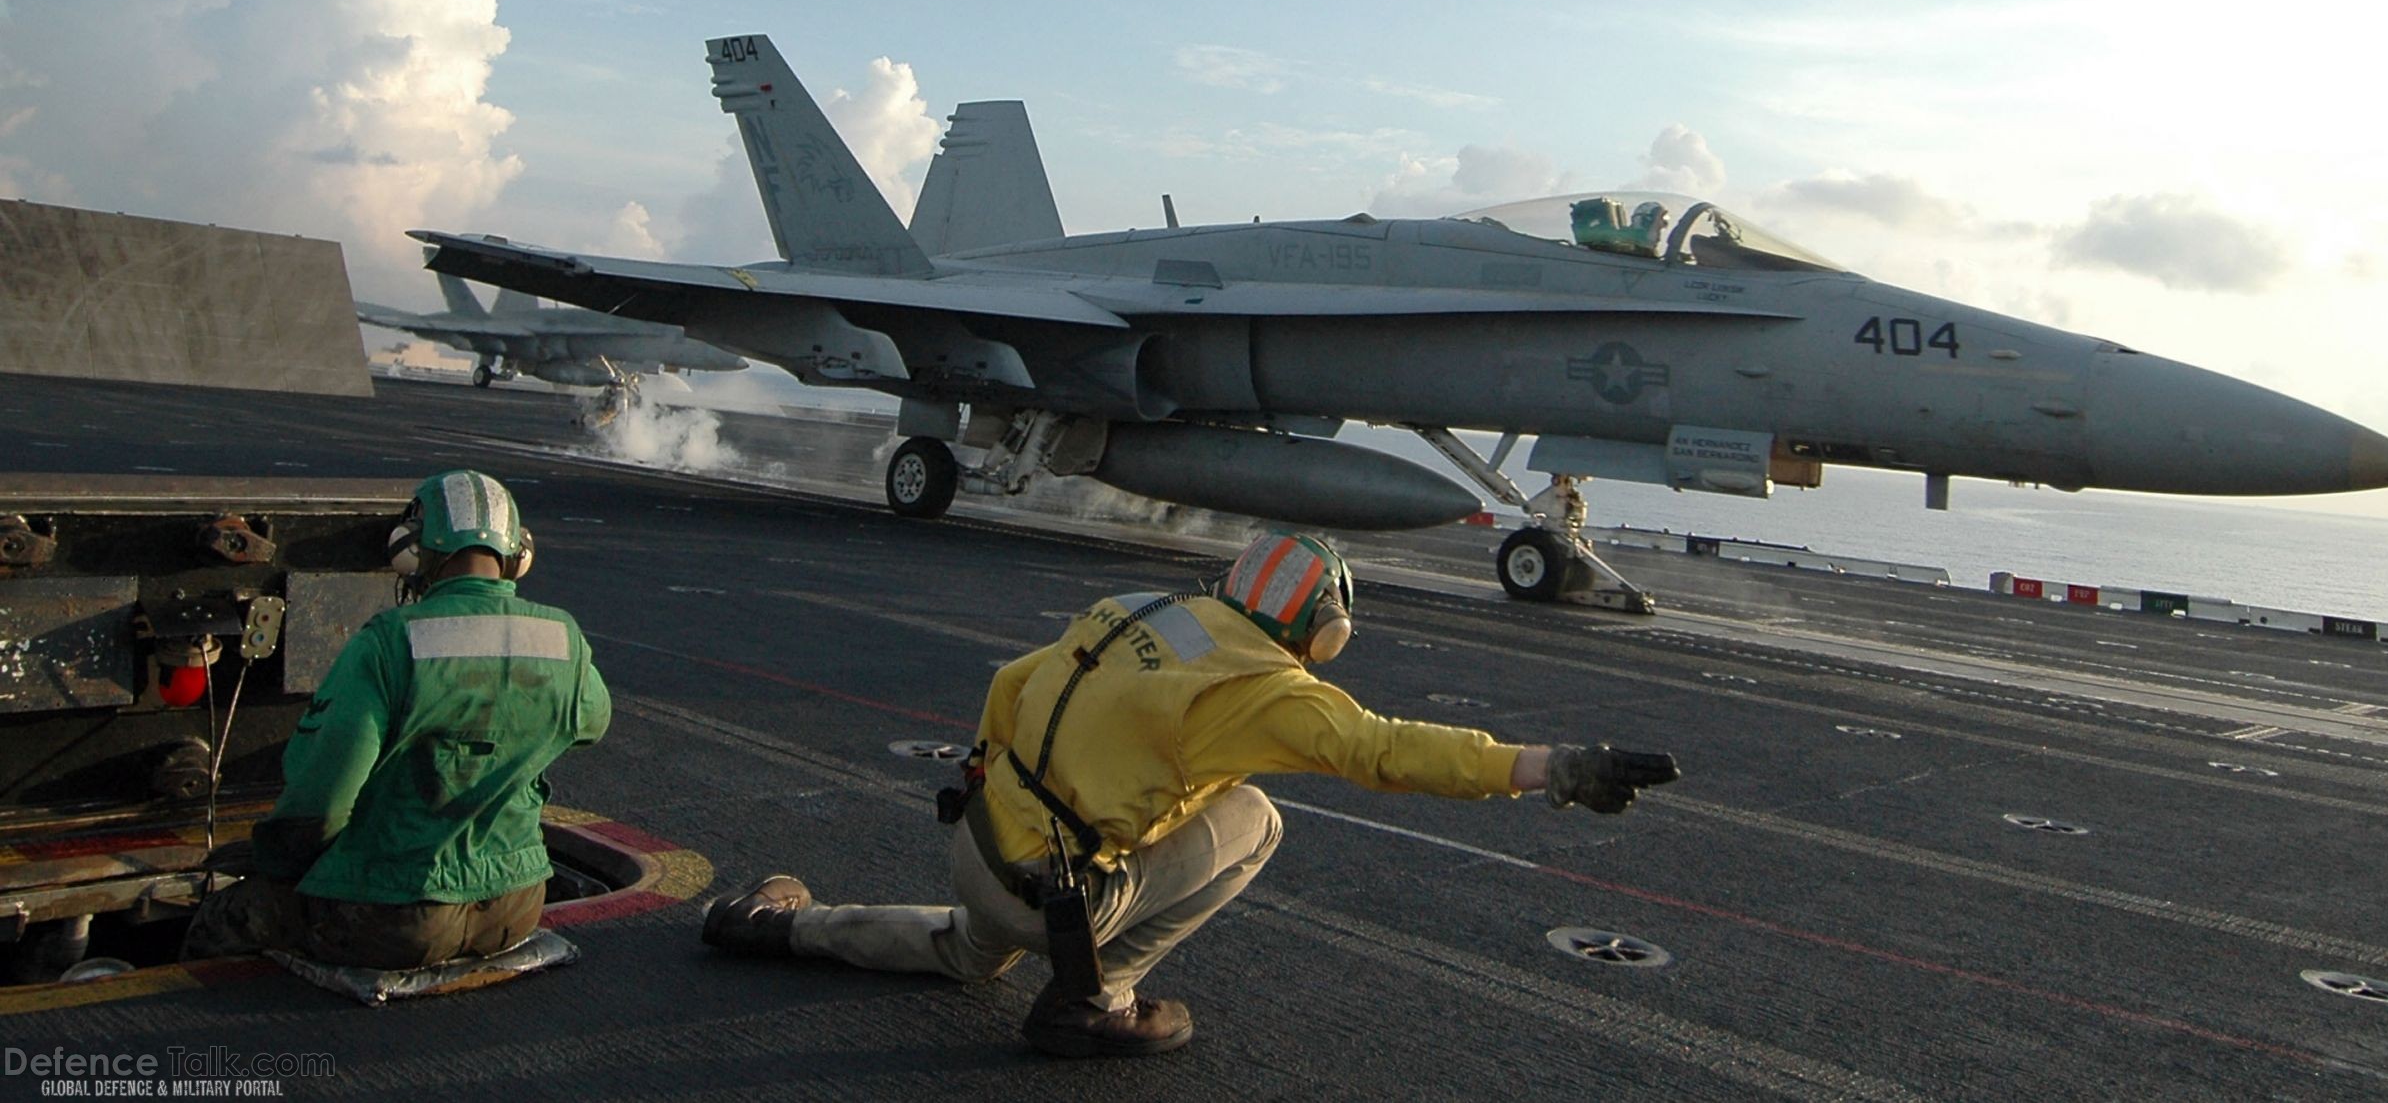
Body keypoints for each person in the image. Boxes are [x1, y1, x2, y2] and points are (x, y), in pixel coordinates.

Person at [700, 530, 1678, 1058]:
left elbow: (1007, 684)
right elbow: (1386, 752)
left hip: (977, 842)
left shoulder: (1138, 607)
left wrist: (989, 774)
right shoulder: (1261, 686)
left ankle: (774, 926)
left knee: (968, 948)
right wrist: (1555, 766)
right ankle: (1097, 1004)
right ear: (1322, 626)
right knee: (1253, 818)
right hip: (1059, 903)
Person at [183, 470, 610, 968]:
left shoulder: (390, 641)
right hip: (514, 908)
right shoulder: (562, 636)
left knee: (223, 918)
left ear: (412, 550)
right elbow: (592, 723)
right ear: (519, 555)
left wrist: (277, 861)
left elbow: (323, 798)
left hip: (393, 916)